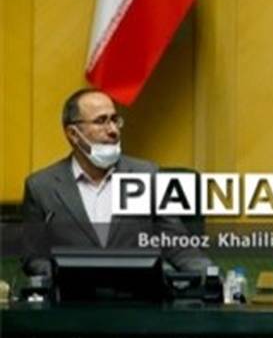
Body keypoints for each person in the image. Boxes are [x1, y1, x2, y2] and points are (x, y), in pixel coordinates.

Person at [21, 87, 212, 276]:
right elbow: (34, 258)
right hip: (72, 294)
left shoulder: (147, 176)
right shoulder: (41, 187)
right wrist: (67, 274)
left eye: (114, 120)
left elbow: (179, 246)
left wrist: (214, 276)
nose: (113, 130)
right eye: (101, 121)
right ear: (73, 134)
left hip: (136, 292)